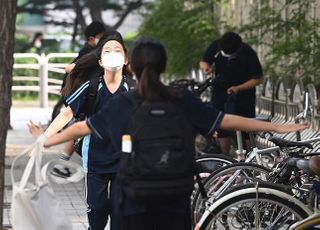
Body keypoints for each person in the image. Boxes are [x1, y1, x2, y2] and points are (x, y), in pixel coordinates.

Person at [29, 37, 309, 230]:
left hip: (133, 197)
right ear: (163, 67)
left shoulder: (127, 101)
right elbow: (228, 120)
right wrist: (276, 126)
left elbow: (81, 127)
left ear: (132, 66)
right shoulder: (182, 99)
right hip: (175, 194)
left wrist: (45, 138)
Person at [29, 31, 129, 230]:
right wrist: (45, 137)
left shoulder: (133, 89)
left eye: (117, 50)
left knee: (121, 213)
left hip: (125, 162)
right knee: (97, 209)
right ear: (100, 61)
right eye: (107, 50)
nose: (113, 53)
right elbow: (67, 115)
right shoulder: (91, 87)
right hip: (95, 160)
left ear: (126, 59)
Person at [50, 21, 106, 178]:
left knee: (79, 128)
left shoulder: (92, 51)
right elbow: (71, 68)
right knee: (78, 128)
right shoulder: (90, 53)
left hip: (81, 95)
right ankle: (63, 164)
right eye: (101, 37)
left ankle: (63, 163)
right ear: (91, 38)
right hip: (81, 95)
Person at [200, 31, 263, 155]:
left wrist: (238, 88)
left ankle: (251, 155)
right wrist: (206, 68)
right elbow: (204, 61)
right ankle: (224, 156)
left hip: (244, 95)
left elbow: (258, 79)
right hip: (220, 92)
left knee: (246, 126)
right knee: (221, 123)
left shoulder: (247, 52)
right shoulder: (216, 46)